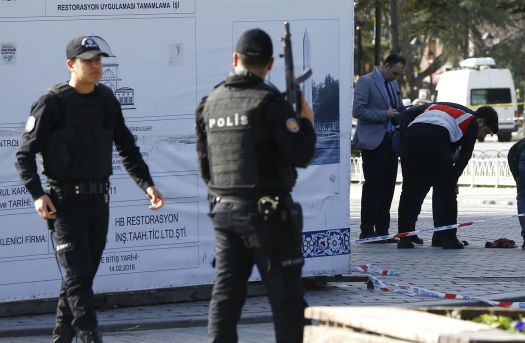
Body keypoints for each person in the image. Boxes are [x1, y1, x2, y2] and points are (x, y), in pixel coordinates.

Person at [15, 35, 165, 343]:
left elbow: (127, 147)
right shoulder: (52, 103)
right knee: (79, 282)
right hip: (64, 205)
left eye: (99, 60)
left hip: (99, 203)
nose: (97, 66)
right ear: (71, 65)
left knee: (78, 279)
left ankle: (61, 338)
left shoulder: (107, 99)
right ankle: (90, 338)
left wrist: (147, 184)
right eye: (89, 61)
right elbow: (24, 154)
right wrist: (37, 193)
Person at [195, 28, 316, 343]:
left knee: (225, 298)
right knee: (286, 299)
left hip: (224, 211)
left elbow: (206, 167)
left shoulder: (211, 102)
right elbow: (300, 154)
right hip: (268, 216)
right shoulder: (270, 102)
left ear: (235, 59)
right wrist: (306, 122)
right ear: (270, 64)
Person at [396, 102, 498, 249]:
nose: (482, 136)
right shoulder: (471, 120)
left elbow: (410, 115)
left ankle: (404, 238)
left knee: (408, 190)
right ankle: (449, 238)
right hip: (437, 138)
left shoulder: (437, 108)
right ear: (481, 122)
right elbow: (465, 156)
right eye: (486, 131)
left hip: (412, 137)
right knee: (447, 193)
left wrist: (405, 137)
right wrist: (453, 180)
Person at [352, 54, 413, 242]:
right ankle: (367, 230)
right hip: (373, 142)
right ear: (386, 65)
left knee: (388, 187)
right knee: (373, 186)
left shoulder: (393, 84)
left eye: (399, 74)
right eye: (394, 73)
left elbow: (398, 106)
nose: (396, 78)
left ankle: (383, 230)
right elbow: (358, 110)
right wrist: (384, 114)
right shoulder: (365, 82)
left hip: (391, 140)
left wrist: (406, 112)